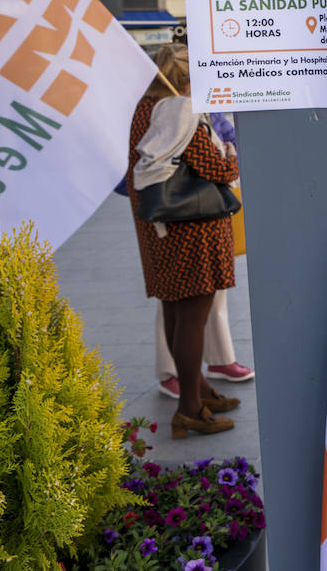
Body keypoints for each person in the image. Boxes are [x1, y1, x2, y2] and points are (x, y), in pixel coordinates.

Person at [128, 44, 239, 438]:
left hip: (158, 226)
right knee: (194, 316)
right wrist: (230, 156)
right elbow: (215, 168)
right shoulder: (181, 109)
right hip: (192, 226)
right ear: (186, 76)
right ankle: (189, 408)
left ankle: (199, 390)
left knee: (177, 312)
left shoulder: (144, 108)